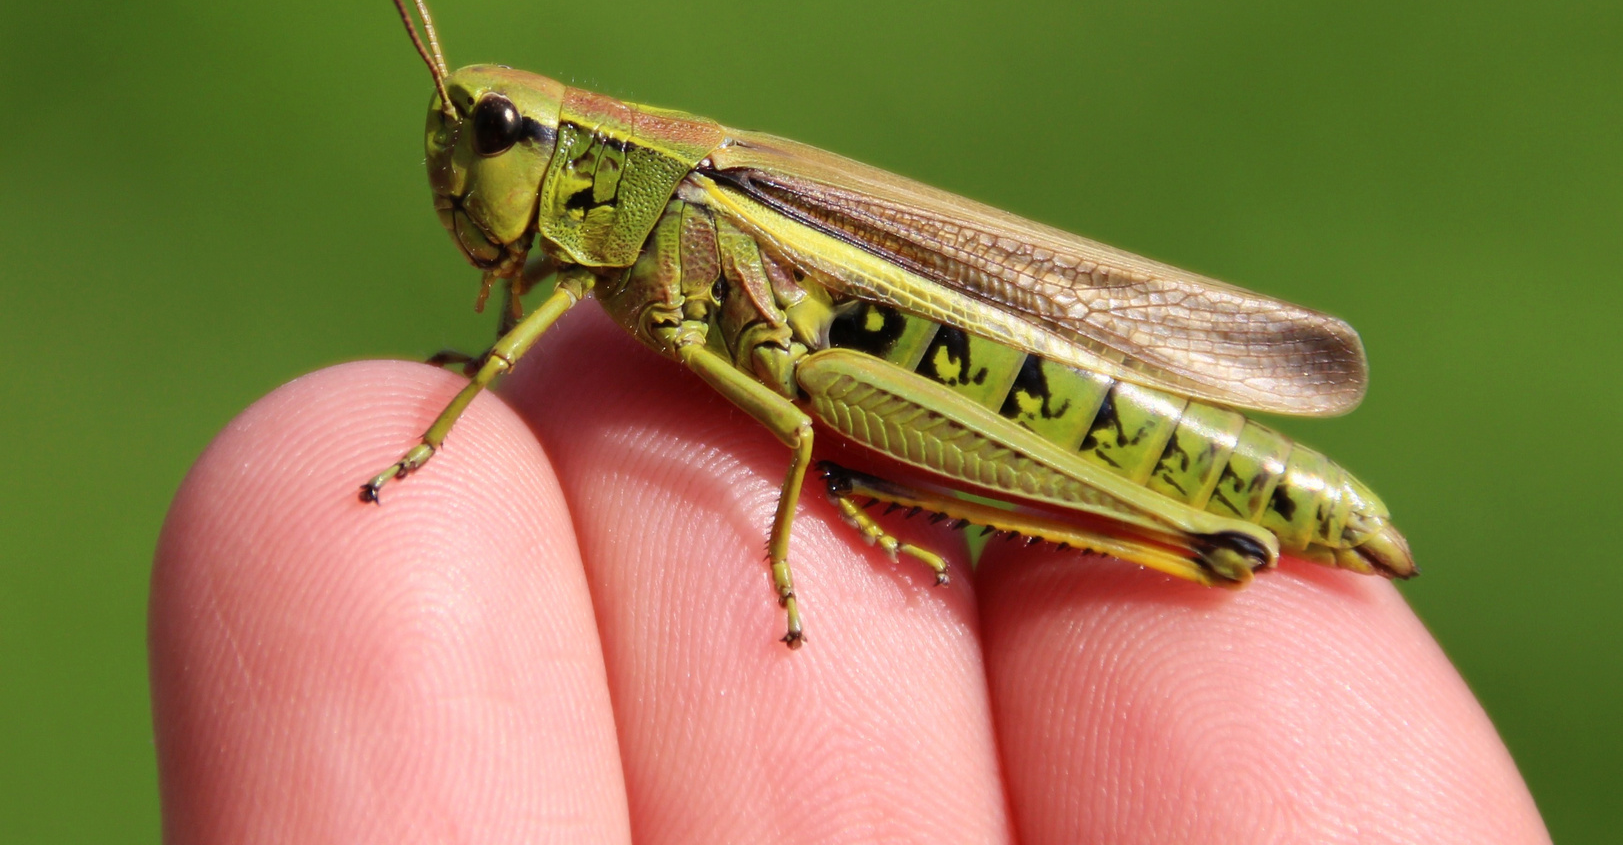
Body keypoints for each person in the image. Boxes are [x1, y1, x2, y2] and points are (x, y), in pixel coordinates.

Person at [149, 309, 1550, 843]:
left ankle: (1207, 535)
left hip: (1020, 399)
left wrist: (789, 556)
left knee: (817, 406)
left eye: (508, 140)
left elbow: (805, 408)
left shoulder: (684, 229)